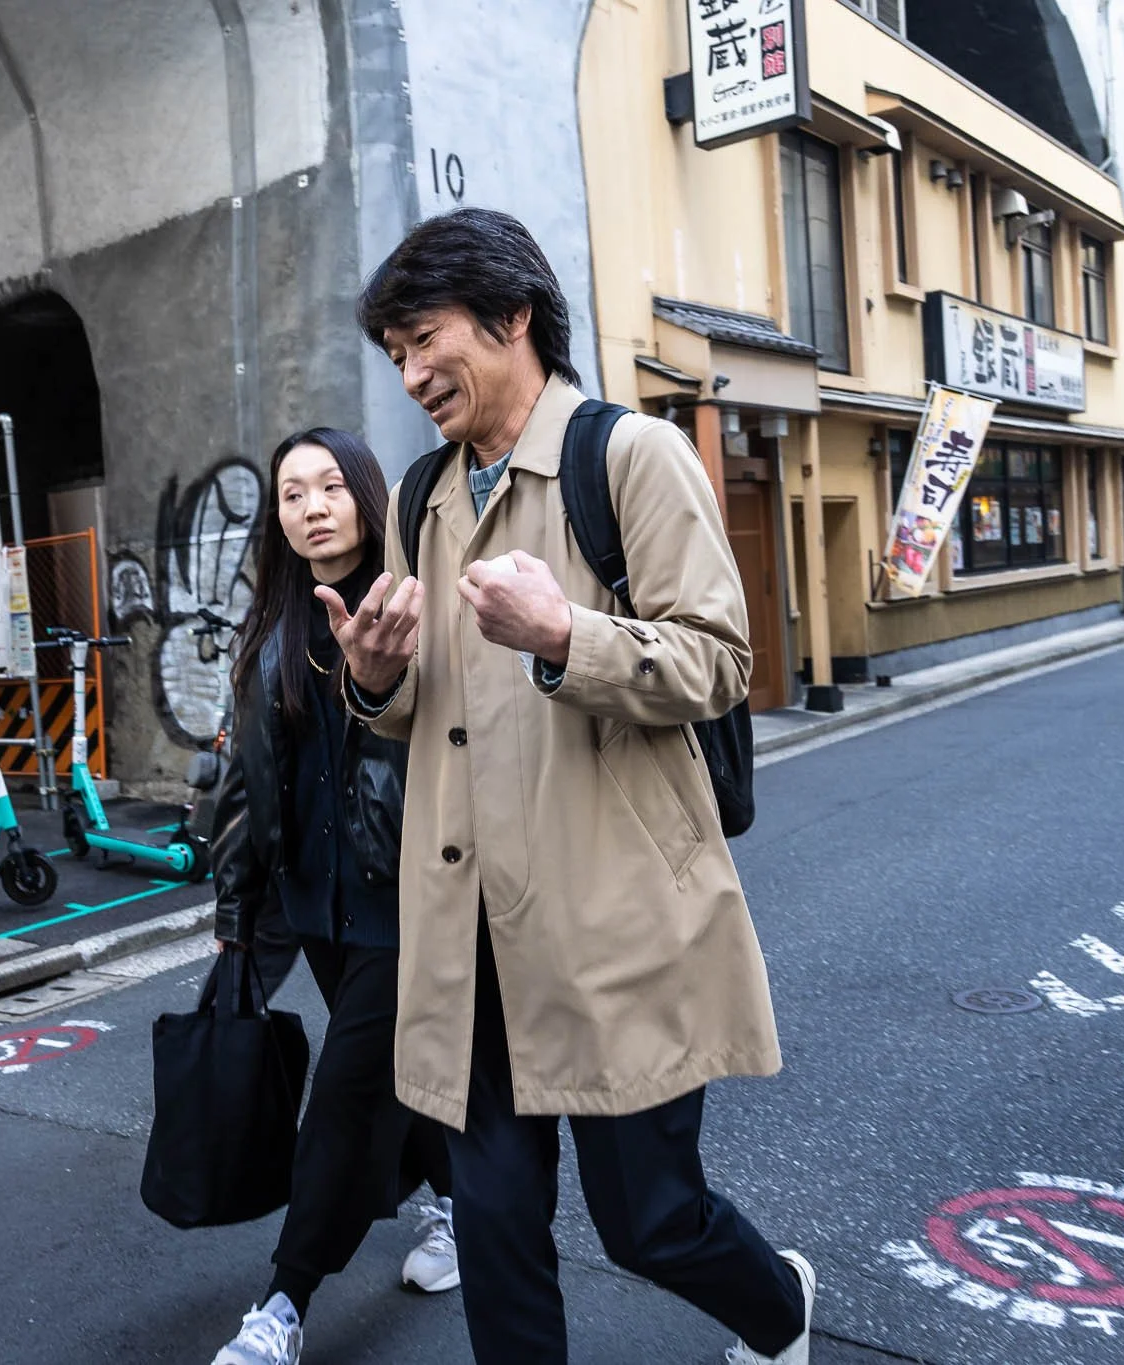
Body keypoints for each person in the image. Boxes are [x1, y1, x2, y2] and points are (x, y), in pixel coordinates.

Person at [325, 207, 813, 1364]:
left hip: (612, 917)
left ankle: (778, 1310)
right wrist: (372, 680)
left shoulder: (628, 456)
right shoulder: (419, 495)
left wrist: (563, 635)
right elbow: (420, 704)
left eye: (423, 339)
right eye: (393, 353)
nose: (409, 374)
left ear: (510, 318)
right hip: (466, 933)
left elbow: (720, 663)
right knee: (494, 1229)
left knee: (650, 1223)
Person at [206, 428, 457, 1365]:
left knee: (345, 1097)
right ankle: (457, 1208)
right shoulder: (271, 629)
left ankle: (283, 1302)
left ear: (365, 494)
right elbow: (244, 782)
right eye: (292, 494)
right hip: (315, 905)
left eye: (330, 487)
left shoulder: (416, 603)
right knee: (397, 1075)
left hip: (407, 899)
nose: (312, 507)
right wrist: (236, 913)